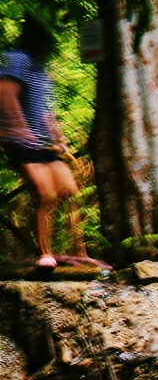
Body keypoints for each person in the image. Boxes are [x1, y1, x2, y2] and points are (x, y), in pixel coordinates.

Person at [0, 19, 94, 271]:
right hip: (20, 141)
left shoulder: (41, 69)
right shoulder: (17, 59)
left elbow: (44, 110)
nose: (49, 47)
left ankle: (76, 252)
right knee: (46, 194)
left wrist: (58, 137)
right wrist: (18, 127)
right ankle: (44, 254)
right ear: (37, 41)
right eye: (46, 42)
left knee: (69, 191)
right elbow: (5, 92)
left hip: (43, 143)